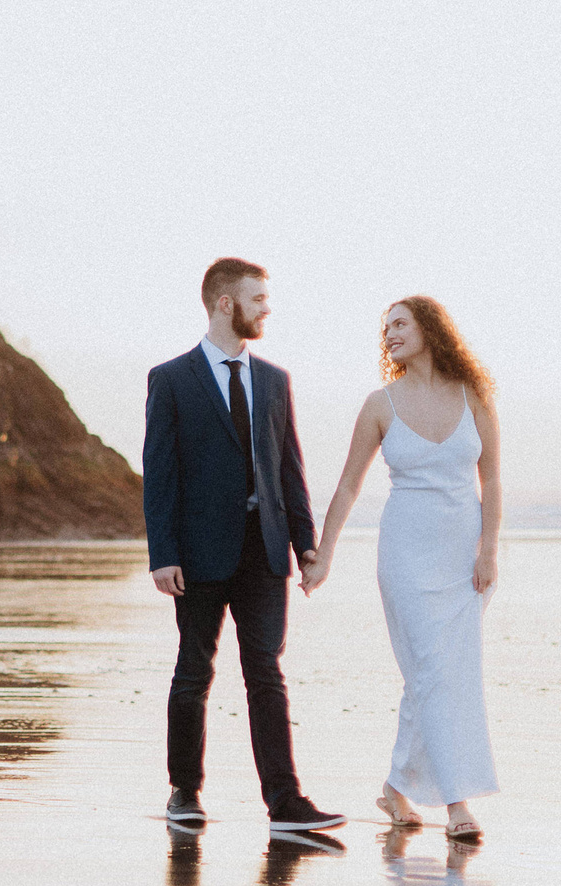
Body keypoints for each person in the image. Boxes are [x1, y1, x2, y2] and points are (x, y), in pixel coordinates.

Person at [143, 257, 346, 834]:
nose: (267, 308)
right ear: (224, 303)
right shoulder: (172, 378)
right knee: (193, 672)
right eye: (257, 298)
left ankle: (285, 803)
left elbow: (289, 468)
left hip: (265, 551)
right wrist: (163, 552)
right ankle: (184, 791)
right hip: (198, 553)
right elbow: (159, 472)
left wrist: (305, 545)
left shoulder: (276, 380)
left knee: (267, 673)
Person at [303, 296, 501, 843]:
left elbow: (493, 483)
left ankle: (395, 787)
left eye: (399, 323)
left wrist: (488, 550)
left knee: (440, 674)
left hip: (463, 555)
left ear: (431, 330)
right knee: (434, 671)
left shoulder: (474, 397)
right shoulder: (379, 405)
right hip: (405, 556)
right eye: (384, 326)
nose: (388, 333)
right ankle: (457, 802)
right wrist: (325, 553)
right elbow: (348, 486)